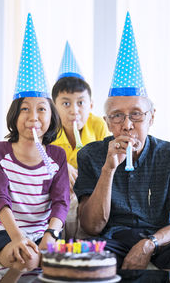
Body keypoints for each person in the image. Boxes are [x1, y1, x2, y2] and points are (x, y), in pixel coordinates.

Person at [74, 12, 170, 270]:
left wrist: (149, 243)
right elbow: (92, 226)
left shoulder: (168, 155)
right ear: (107, 122)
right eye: (117, 116)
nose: (127, 124)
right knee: (80, 263)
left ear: (151, 118)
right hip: (111, 240)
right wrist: (108, 169)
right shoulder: (90, 156)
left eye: (136, 115)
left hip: (160, 240)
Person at [0, 13, 70, 282]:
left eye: (41, 109)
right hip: (9, 233)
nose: (33, 117)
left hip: (46, 234)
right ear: (14, 114)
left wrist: (49, 236)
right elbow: (0, 199)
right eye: (25, 109)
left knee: (47, 259)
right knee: (22, 257)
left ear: (51, 115)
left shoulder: (57, 156)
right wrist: (19, 237)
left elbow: (61, 202)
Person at [51, 41, 109, 239]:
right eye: (65, 103)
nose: (74, 110)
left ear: (91, 105)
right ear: (54, 107)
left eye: (81, 103)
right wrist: (60, 165)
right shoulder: (47, 129)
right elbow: (35, 156)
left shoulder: (99, 125)